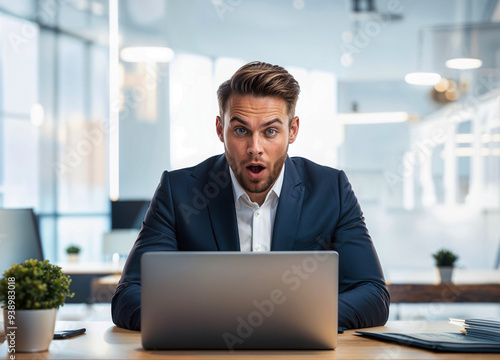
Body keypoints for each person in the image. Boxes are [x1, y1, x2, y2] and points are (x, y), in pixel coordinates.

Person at [112, 61, 390, 331]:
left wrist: (287, 319)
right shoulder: (178, 191)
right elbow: (128, 296)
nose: (255, 148)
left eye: (270, 131)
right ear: (221, 129)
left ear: (292, 131)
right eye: (241, 130)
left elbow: (373, 294)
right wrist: (214, 322)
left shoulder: (332, 190)